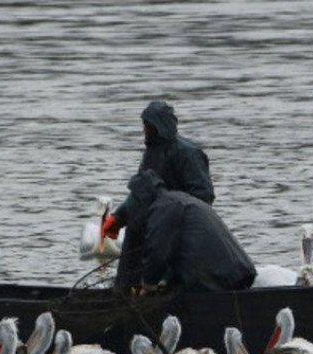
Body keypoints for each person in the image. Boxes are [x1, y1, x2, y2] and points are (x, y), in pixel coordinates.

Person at [102, 101, 214, 288]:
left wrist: (177, 216)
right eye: (144, 125)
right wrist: (118, 217)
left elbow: (204, 196)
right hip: (150, 222)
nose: (145, 130)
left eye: (149, 125)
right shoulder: (150, 153)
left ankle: (159, 288)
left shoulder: (188, 153)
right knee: (131, 265)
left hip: (177, 225)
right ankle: (128, 290)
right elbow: (141, 192)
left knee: (165, 266)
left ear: (160, 126)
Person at [124, 169, 256, 294]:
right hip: (240, 272)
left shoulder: (163, 208)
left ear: (142, 196)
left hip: (219, 279)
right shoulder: (180, 198)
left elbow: (158, 252)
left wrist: (148, 284)